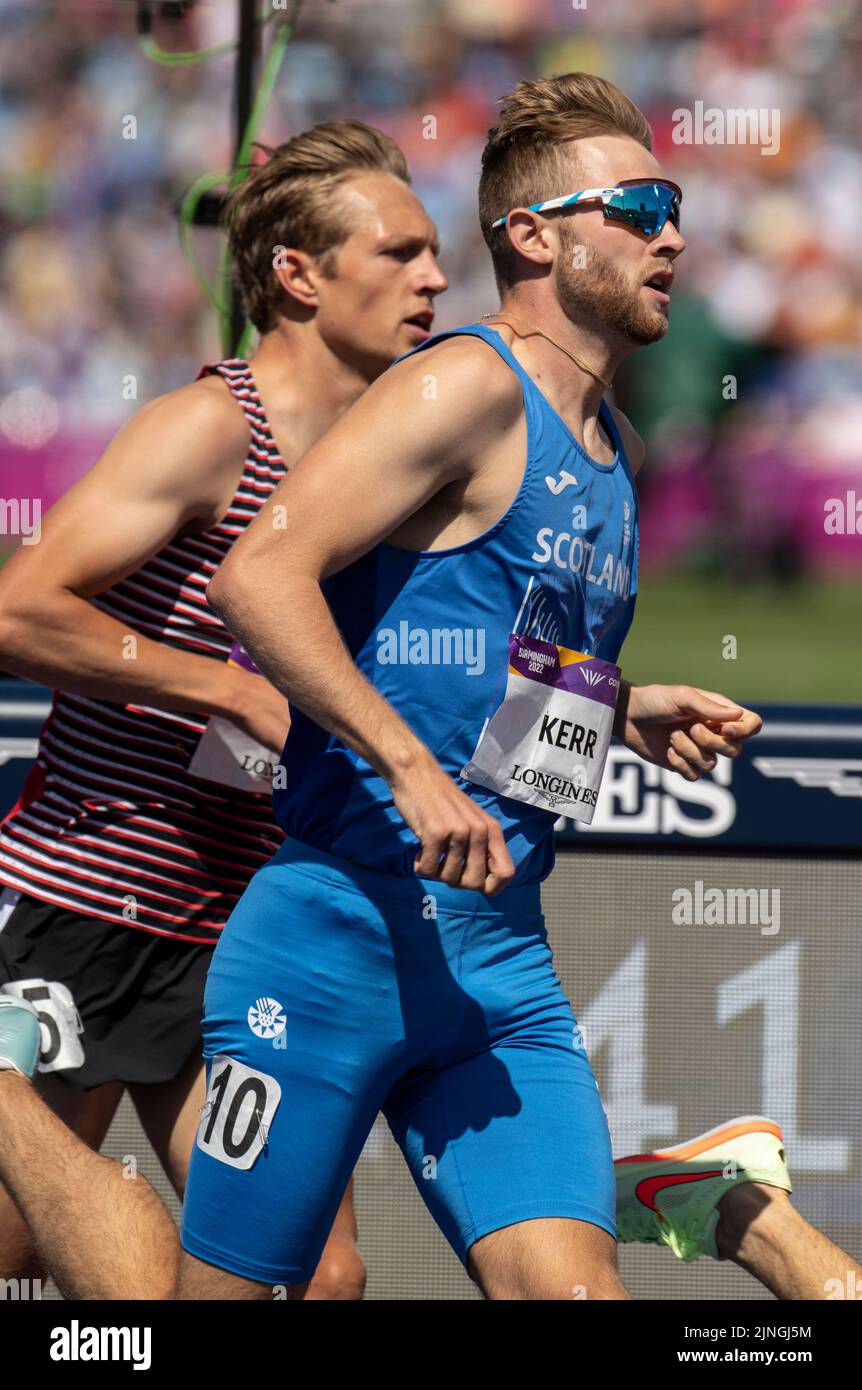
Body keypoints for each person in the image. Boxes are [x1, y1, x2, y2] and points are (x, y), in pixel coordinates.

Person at [169, 71, 858, 1301]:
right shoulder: (463, 384)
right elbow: (258, 579)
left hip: (498, 963)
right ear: (533, 237)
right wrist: (407, 766)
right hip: (334, 938)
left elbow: (496, 658)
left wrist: (621, 704)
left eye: (676, 204)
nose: (673, 236)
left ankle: (679, 1199)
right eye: (638, 207)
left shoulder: (617, 446)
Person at [0, 117, 447, 1300]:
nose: (435, 279)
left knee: (321, 1278)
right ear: (296, 275)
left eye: (434, 253)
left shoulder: (390, 458)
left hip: (250, 926)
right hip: (90, 901)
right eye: (399, 253)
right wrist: (225, 683)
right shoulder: (209, 428)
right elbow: (18, 612)